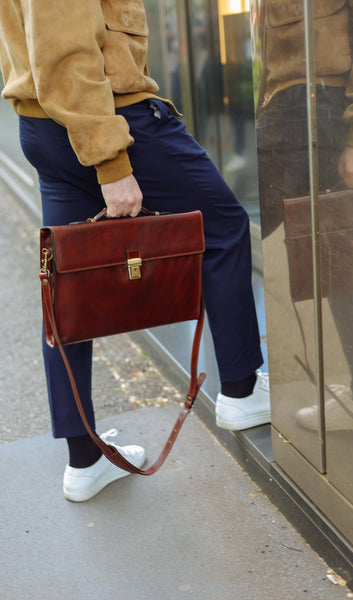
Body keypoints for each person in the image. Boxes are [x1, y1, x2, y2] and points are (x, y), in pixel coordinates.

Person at [0, 0, 269, 502]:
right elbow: (65, 50)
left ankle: (83, 460)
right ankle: (241, 390)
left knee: (67, 285)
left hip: (47, 123)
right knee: (224, 227)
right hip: (111, 120)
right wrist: (110, 163)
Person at [257, 0, 353, 433]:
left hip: (318, 101)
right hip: (294, 104)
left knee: (224, 230)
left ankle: (240, 383)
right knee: (341, 251)